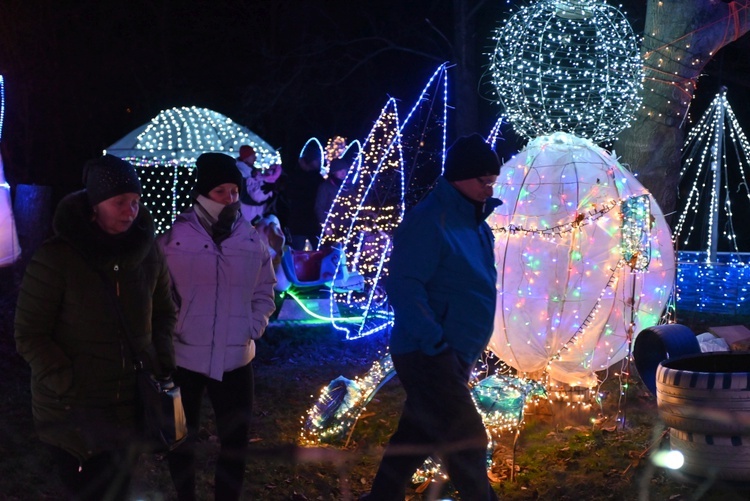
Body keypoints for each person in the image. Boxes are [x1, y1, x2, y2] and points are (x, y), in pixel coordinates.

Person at [14, 154, 177, 501]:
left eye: (135, 202)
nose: (130, 211)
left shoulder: (148, 253)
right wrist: (65, 380)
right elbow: (30, 333)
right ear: (94, 205)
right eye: (120, 202)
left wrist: (161, 356)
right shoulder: (58, 258)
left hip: (131, 404)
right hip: (75, 409)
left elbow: (165, 310)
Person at [360, 133, 502, 501]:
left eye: (492, 181)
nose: (489, 188)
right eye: (482, 180)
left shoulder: (478, 225)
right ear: (458, 176)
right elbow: (405, 286)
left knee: (417, 431)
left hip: (454, 352)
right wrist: (435, 343)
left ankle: (381, 497)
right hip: (428, 353)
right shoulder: (429, 221)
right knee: (468, 440)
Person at [158, 152, 276, 501]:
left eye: (235, 191)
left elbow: (264, 289)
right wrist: (175, 324)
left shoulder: (253, 240)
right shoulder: (173, 240)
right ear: (202, 193)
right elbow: (158, 293)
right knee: (180, 438)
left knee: (236, 443)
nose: (231, 198)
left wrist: (253, 326)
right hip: (184, 358)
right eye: (221, 191)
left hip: (237, 358)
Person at [284, 143, 324, 250]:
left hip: (302, 221)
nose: (320, 162)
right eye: (318, 160)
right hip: (305, 221)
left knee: (299, 252)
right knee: (314, 251)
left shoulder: (296, 176)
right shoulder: (316, 179)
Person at [236, 144, 282, 224]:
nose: (255, 158)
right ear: (246, 158)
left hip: (257, 214)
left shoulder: (254, 172)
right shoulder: (241, 173)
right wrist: (260, 201)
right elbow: (243, 196)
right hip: (246, 215)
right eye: (252, 155)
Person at [314, 157, 349, 231]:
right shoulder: (326, 187)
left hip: (348, 226)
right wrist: (325, 225)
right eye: (339, 170)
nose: (343, 173)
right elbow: (319, 207)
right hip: (332, 227)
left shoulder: (349, 186)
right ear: (334, 172)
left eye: (344, 170)